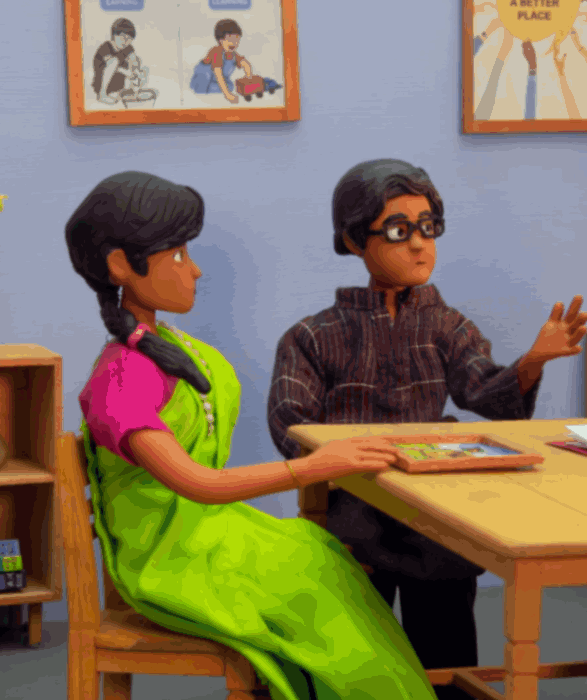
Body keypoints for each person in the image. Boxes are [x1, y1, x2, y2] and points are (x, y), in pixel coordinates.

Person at [66, 170, 438, 700]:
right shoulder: (120, 381)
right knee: (312, 582)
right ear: (122, 265)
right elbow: (195, 483)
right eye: (177, 255)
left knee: (318, 552)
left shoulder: (163, 348)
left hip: (209, 535)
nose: (193, 269)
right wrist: (311, 468)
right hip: (171, 560)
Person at [267, 158, 587, 700]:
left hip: (436, 508)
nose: (419, 245)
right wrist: (349, 452)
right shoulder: (312, 337)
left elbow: (483, 391)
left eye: (428, 227)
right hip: (354, 506)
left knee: (447, 638)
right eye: (398, 230)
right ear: (352, 239)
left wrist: (531, 362)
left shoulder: (446, 325)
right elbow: (291, 425)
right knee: (354, 641)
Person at [189, 19, 255, 103]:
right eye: (230, 39)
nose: (234, 43)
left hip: (216, 79)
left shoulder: (234, 54)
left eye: (237, 40)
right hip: (204, 77)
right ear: (220, 40)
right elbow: (218, 73)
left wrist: (248, 75)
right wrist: (227, 95)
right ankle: (197, 87)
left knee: (230, 86)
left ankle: (212, 88)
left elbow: (245, 64)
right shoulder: (217, 51)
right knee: (204, 84)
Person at [92, 18, 136, 105]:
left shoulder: (128, 48)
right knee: (114, 61)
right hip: (102, 85)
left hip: (119, 88)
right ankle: (102, 95)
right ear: (114, 35)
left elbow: (134, 60)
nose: (126, 41)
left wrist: (135, 69)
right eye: (123, 37)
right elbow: (111, 63)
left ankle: (131, 91)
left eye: (129, 38)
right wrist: (126, 72)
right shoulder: (106, 47)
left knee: (138, 64)